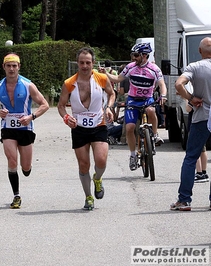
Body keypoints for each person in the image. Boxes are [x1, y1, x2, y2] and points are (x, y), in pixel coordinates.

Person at [58, 47, 115, 210]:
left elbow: (111, 94)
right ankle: (88, 196)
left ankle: (98, 179)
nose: (85, 66)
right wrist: (66, 117)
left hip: (99, 125)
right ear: (77, 63)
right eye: (82, 63)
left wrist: (109, 108)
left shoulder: (102, 78)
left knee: (101, 160)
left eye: (88, 62)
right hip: (79, 128)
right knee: (84, 165)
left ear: (93, 63)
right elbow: (61, 106)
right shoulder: (69, 83)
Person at [0, 53, 49, 209]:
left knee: (25, 167)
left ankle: (27, 169)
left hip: (25, 128)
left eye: (14, 66)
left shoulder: (28, 85)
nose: (11, 69)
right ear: (3, 67)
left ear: (19, 67)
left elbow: (45, 104)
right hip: (7, 128)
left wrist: (31, 116)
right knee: (12, 161)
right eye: (8, 66)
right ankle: (16, 195)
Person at [100, 43, 167, 171]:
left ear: (144, 55)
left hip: (147, 99)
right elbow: (119, 79)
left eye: (136, 55)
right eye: (132, 55)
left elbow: (162, 84)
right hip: (132, 100)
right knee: (130, 127)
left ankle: (155, 134)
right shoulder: (130, 67)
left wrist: (163, 95)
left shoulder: (154, 69)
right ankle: (132, 155)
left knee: (151, 110)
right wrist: (106, 74)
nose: (133, 58)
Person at [170, 37, 211, 211]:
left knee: (191, 157)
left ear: (200, 51)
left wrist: (191, 98)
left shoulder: (194, 67)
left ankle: (184, 200)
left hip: (202, 116)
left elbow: (178, 84)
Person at [185, 100, 209, 183]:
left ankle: (199, 173)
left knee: (195, 149)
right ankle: (204, 171)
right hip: (205, 122)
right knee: (203, 149)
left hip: (195, 123)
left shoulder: (194, 98)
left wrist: (186, 100)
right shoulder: (206, 98)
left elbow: (188, 109)